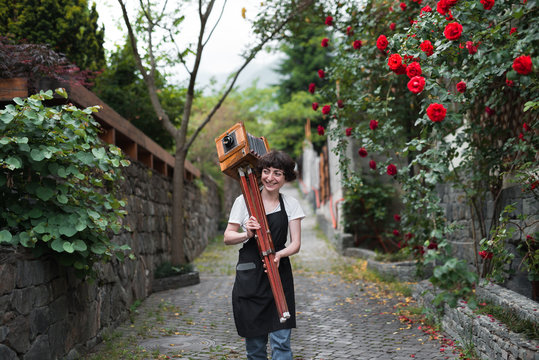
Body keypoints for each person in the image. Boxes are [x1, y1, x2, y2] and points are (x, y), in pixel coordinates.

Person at [224, 150, 305, 360]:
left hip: (279, 275)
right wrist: (247, 233)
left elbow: (295, 244)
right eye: (266, 171)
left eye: (277, 173)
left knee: (282, 345)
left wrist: (279, 254)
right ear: (260, 173)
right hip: (250, 279)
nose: (270, 178)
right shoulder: (244, 202)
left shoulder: (291, 204)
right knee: (255, 349)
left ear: (286, 177)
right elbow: (227, 237)